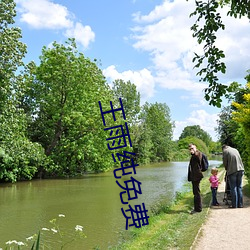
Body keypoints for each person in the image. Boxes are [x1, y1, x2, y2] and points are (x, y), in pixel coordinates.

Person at [188, 143, 204, 214]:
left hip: (196, 176)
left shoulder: (198, 154)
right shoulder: (194, 155)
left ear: (195, 148)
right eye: (190, 149)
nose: (191, 150)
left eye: (192, 148)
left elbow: (198, 158)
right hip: (195, 176)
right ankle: (197, 208)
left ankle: (198, 209)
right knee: (196, 192)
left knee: (196, 192)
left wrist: (194, 152)